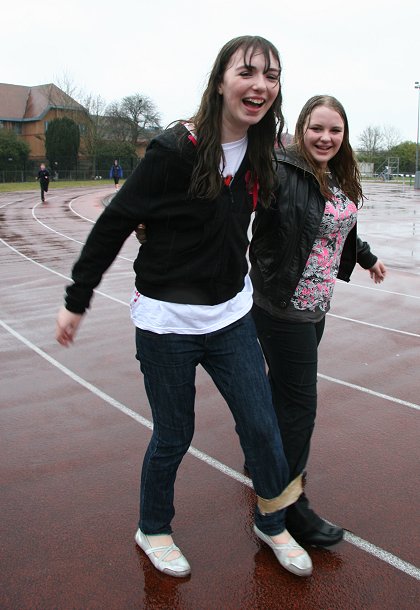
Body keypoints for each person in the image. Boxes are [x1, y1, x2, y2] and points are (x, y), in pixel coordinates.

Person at [55, 36, 314, 578]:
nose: (260, 85)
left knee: (262, 425)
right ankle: (153, 528)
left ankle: (273, 523)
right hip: (167, 323)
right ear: (221, 80)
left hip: (230, 316)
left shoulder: (264, 151)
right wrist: (77, 299)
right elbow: (116, 220)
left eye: (272, 76)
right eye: (248, 72)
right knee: (174, 435)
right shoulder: (175, 149)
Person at [250, 94, 387, 548]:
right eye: (316, 128)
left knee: (282, 394)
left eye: (335, 130)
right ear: (301, 129)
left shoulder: (334, 175)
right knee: (300, 406)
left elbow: (336, 223)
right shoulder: (278, 171)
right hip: (281, 305)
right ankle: (286, 505)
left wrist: (365, 256)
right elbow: (232, 208)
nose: (325, 137)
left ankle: (261, 459)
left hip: (315, 305)